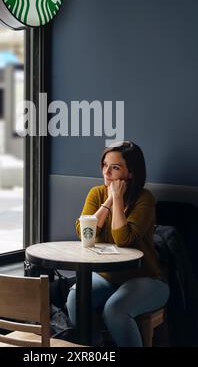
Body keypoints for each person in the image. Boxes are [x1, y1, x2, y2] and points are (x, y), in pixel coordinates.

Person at [66, 141, 170, 347]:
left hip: (147, 278)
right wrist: (108, 202)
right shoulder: (96, 193)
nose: (107, 172)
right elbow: (84, 234)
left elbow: (123, 239)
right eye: (105, 165)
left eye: (115, 167)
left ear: (130, 173)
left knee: (115, 309)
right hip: (107, 276)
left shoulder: (144, 199)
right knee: (75, 299)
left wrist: (117, 197)